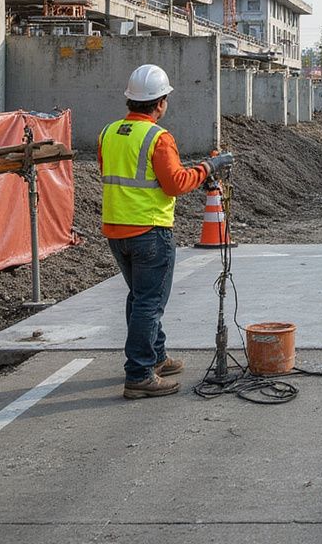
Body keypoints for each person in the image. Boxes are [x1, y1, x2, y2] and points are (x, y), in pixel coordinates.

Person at [99, 64, 233, 400]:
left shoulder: (109, 133)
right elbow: (175, 184)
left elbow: (118, 172)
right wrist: (208, 168)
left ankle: (155, 357)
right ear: (159, 103)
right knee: (149, 302)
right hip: (149, 231)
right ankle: (140, 373)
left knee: (140, 297)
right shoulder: (158, 138)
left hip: (117, 230)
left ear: (131, 100)